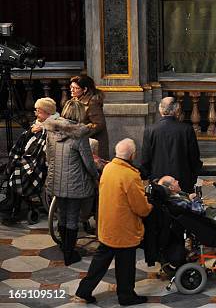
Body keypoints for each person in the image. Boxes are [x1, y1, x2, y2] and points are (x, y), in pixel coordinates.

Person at [75, 139, 153, 306]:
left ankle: (83, 291)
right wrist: (150, 205)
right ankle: (126, 296)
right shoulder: (131, 176)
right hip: (124, 229)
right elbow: (141, 208)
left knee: (99, 262)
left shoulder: (109, 168)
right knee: (125, 265)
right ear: (133, 154)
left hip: (107, 225)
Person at [44, 100, 99, 265]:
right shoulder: (79, 135)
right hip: (75, 182)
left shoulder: (51, 130)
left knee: (62, 214)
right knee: (72, 217)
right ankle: (70, 254)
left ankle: (63, 247)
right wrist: (96, 176)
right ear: (79, 114)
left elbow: (48, 156)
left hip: (56, 179)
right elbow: (88, 163)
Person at [0, 98, 59, 220]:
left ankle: (13, 206)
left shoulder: (51, 128)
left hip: (39, 162)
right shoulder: (36, 125)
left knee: (17, 171)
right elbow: (22, 143)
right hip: (29, 157)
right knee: (10, 167)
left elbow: (40, 151)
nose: (35, 113)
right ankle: (12, 205)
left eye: (39, 111)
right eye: (36, 110)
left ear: (48, 113)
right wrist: (30, 132)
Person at [140, 97, 203, 193]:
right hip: (182, 181)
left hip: (158, 181)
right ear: (177, 110)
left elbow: (145, 158)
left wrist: (146, 177)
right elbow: (194, 157)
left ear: (160, 109)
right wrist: (193, 177)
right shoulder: (186, 129)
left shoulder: (150, 130)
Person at [69, 74, 109, 159]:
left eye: (76, 88)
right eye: (71, 87)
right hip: (81, 141)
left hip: (92, 143)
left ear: (85, 89)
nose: (72, 90)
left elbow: (99, 124)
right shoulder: (75, 100)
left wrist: (81, 131)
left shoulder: (92, 103)